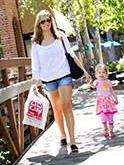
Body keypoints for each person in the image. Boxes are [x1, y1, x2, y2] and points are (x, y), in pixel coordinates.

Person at [30, 10, 91, 152]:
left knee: (66, 106)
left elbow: (72, 55)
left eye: (48, 20)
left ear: (52, 21)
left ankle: (73, 141)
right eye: (43, 21)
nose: (46, 23)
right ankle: (62, 135)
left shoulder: (60, 36)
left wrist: (85, 71)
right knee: (57, 110)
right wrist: (34, 84)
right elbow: (35, 65)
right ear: (39, 24)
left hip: (64, 75)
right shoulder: (35, 43)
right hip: (48, 81)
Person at [89, 64, 119, 138]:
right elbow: (93, 85)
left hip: (109, 102)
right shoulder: (97, 82)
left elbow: (111, 90)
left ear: (106, 73)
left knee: (110, 117)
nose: (101, 74)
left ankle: (111, 131)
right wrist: (90, 83)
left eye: (103, 72)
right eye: (99, 72)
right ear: (96, 74)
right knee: (103, 117)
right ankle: (105, 129)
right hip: (102, 102)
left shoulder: (108, 82)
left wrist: (115, 98)